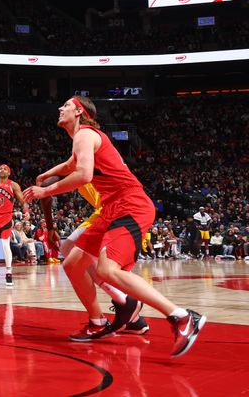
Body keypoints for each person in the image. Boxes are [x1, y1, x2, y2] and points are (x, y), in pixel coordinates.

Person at [23, 96, 205, 357]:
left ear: (79, 111)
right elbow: (70, 165)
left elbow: (83, 174)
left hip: (129, 205)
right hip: (110, 209)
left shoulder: (85, 133)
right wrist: (43, 176)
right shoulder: (83, 139)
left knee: (107, 270)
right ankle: (97, 322)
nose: (60, 108)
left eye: (65, 105)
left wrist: (46, 190)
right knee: (72, 263)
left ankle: (181, 317)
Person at [57, 183, 149, 335]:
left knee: (74, 257)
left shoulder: (85, 165)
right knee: (71, 252)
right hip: (108, 209)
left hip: (112, 210)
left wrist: (46, 186)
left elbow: (77, 176)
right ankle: (133, 318)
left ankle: (122, 301)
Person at [0, 165, 30, 288]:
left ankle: (8, 273)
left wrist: (26, 211)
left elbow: (23, 201)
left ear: (9, 172)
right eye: (0, 168)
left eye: (5, 169)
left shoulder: (13, 185)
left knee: (5, 244)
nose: (1, 170)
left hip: (6, 218)